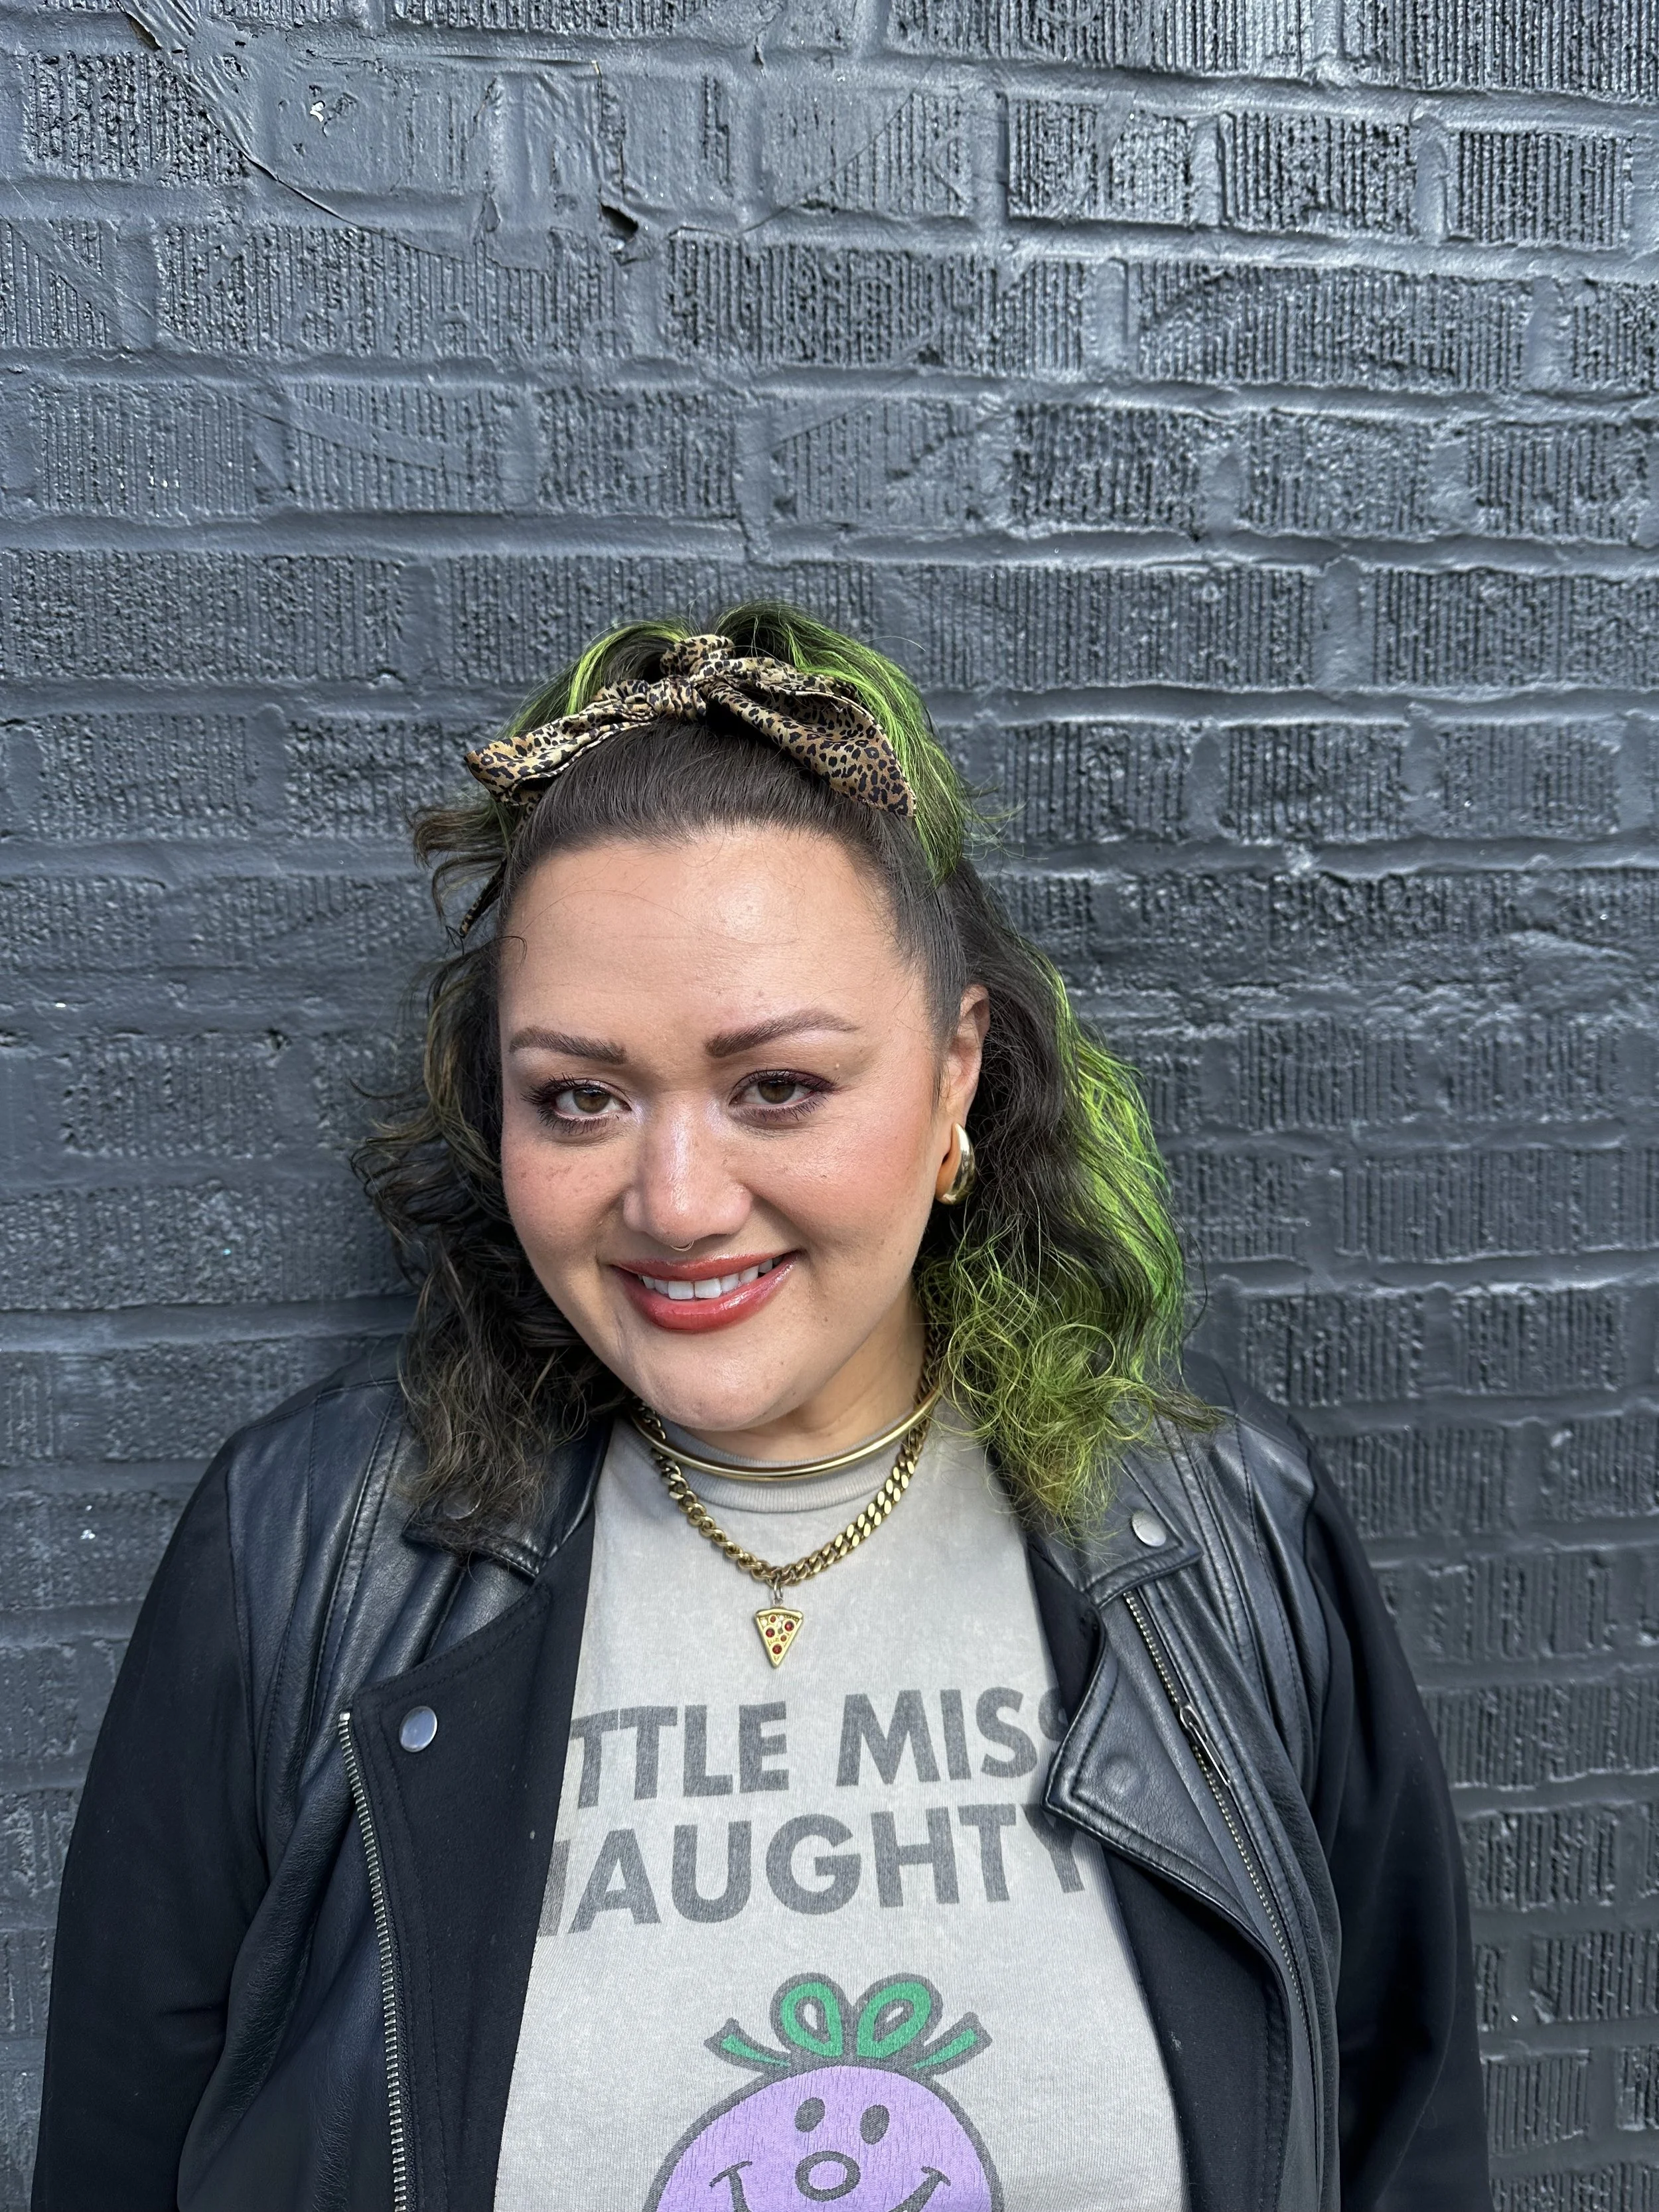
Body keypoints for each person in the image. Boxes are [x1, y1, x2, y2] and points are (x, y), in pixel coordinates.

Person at [31, 606, 1486, 2212]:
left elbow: (1396, 2129)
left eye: (774, 1086)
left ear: (952, 1078)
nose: (673, 1199)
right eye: (576, 1096)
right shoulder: (301, 1554)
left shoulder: (1222, 1528)